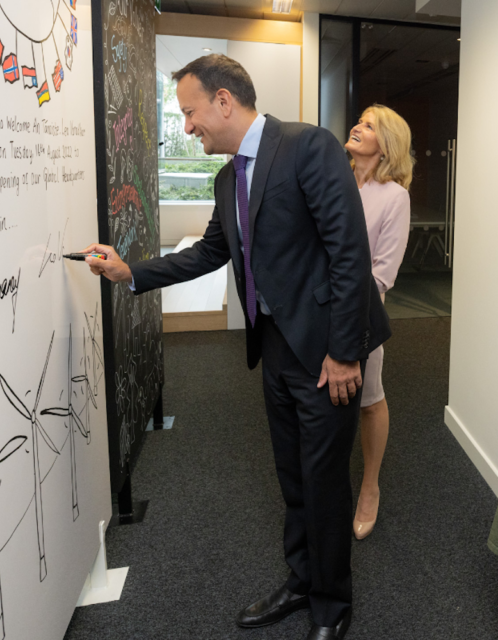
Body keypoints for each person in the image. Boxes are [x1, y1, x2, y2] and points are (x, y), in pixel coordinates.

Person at [83, 54, 390, 640]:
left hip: (329, 351)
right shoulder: (229, 178)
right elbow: (209, 253)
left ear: (224, 101)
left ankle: (331, 603)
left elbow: (349, 252)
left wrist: (346, 352)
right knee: (292, 476)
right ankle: (301, 580)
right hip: (275, 347)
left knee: (324, 482)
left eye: (191, 112)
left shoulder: (308, 146)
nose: (188, 126)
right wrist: (131, 273)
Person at [344, 105, 413, 540]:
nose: (357, 125)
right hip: (313, 314)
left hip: (361, 316)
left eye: (369, 125)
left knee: (369, 401)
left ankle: (370, 487)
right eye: (360, 119)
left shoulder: (394, 197)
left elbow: (382, 275)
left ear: (386, 143)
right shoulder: (332, 179)